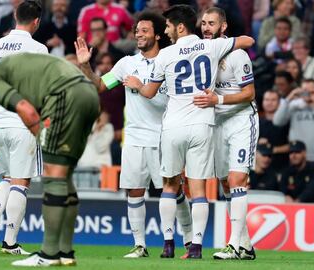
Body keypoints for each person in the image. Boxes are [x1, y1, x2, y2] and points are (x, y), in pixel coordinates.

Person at [123, 4, 254, 259]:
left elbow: (149, 93)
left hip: (172, 126)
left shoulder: (165, 54)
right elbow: (248, 40)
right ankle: (195, 247)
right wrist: (229, 43)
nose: (167, 31)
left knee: (170, 186)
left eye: (169, 26)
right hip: (202, 125)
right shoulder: (211, 46)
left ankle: (168, 244)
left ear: (179, 26)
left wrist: (138, 85)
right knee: (199, 189)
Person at [0, 53, 99, 267]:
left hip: (65, 96)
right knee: (63, 175)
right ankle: (65, 253)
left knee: (53, 175)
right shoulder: (9, 69)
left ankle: (49, 255)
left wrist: (41, 140)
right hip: (87, 94)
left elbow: (27, 111)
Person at [75, 11, 193, 259]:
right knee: (134, 191)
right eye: (137, 31)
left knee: (173, 191)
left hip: (164, 135)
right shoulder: (126, 63)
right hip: (134, 138)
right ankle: (140, 245)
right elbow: (99, 85)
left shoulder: (170, 61)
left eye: (144, 31)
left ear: (158, 35)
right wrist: (85, 64)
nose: (138, 34)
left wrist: (142, 87)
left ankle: (190, 238)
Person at [0, 0, 48, 255]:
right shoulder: (39, 48)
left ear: (15, 16)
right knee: (21, 181)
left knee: (6, 177)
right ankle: (10, 243)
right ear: (36, 22)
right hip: (23, 123)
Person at [193, 7, 258, 260]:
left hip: (242, 120)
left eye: (211, 23)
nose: (206, 27)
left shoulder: (237, 55)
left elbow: (249, 94)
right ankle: (246, 246)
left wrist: (217, 98)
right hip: (217, 122)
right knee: (224, 183)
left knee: (236, 180)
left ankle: (232, 245)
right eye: (204, 23)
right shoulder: (202, 54)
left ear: (223, 27)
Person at [273, 79, 314, 168]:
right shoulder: (293, 106)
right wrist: (289, 98)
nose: (307, 93)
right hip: (296, 155)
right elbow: (277, 121)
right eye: (305, 90)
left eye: (311, 91)